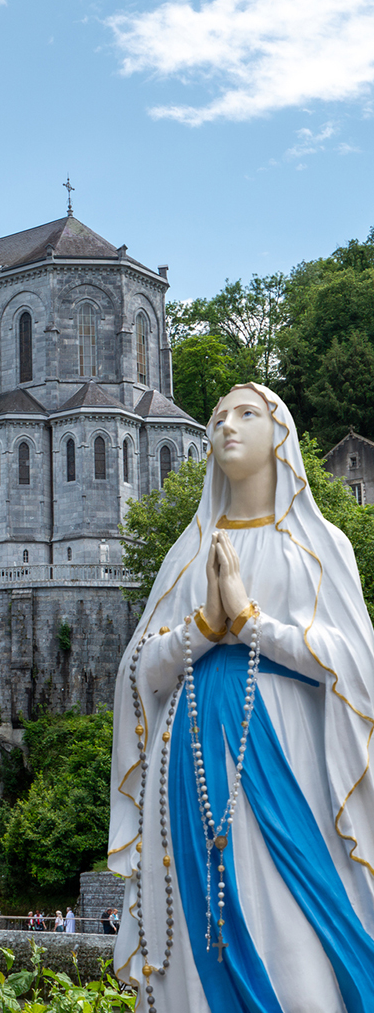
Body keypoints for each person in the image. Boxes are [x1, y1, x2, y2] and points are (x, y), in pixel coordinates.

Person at [109, 384, 374, 1013]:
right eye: (218, 417)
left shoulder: (318, 546)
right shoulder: (187, 552)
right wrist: (203, 626)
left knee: (302, 956)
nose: (227, 425)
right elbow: (136, 671)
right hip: (191, 764)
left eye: (246, 414)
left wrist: (255, 625)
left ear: (279, 434)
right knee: (197, 960)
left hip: (290, 763)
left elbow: (358, 665)